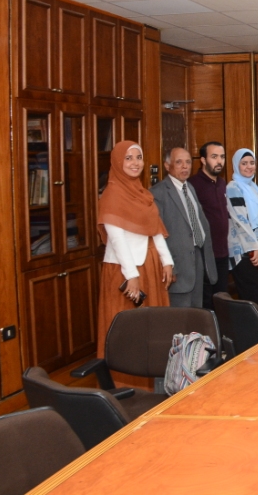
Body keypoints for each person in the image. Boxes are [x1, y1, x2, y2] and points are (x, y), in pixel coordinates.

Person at [96, 142, 174, 356]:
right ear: (117, 162)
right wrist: (131, 275)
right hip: (124, 271)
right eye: (128, 158)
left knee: (153, 325)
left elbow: (154, 229)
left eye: (138, 157)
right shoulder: (111, 195)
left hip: (150, 266)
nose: (135, 163)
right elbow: (117, 239)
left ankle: (155, 372)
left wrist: (167, 261)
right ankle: (124, 375)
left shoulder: (143, 194)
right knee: (128, 329)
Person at [151, 148, 217, 308]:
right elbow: (157, 234)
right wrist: (168, 265)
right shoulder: (158, 193)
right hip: (177, 266)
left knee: (196, 314)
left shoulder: (190, 188)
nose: (185, 166)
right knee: (180, 318)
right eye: (179, 162)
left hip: (197, 261)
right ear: (167, 166)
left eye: (188, 162)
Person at [226, 148, 258, 315]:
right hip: (246, 253)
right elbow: (241, 221)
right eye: (244, 163)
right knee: (254, 300)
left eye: (252, 163)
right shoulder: (233, 187)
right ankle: (255, 333)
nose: (249, 167)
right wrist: (254, 248)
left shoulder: (253, 187)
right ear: (236, 165)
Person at [188, 141, 230, 309]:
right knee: (206, 304)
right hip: (204, 255)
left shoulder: (222, 183)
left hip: (222, 253)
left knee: (222, 302)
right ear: (203, 160)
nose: (219, 161)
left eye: (222, 157)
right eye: (214, 157)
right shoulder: (192, 185)